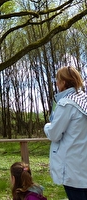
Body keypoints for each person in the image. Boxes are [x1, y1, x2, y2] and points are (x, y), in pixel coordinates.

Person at [44, 65, 87, 200]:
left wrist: (47, 126)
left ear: (63, 82)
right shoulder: (83, 100)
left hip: (72, 168)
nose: (56, 83)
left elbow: (54, 134)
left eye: (57, 80)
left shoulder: (66, 104)